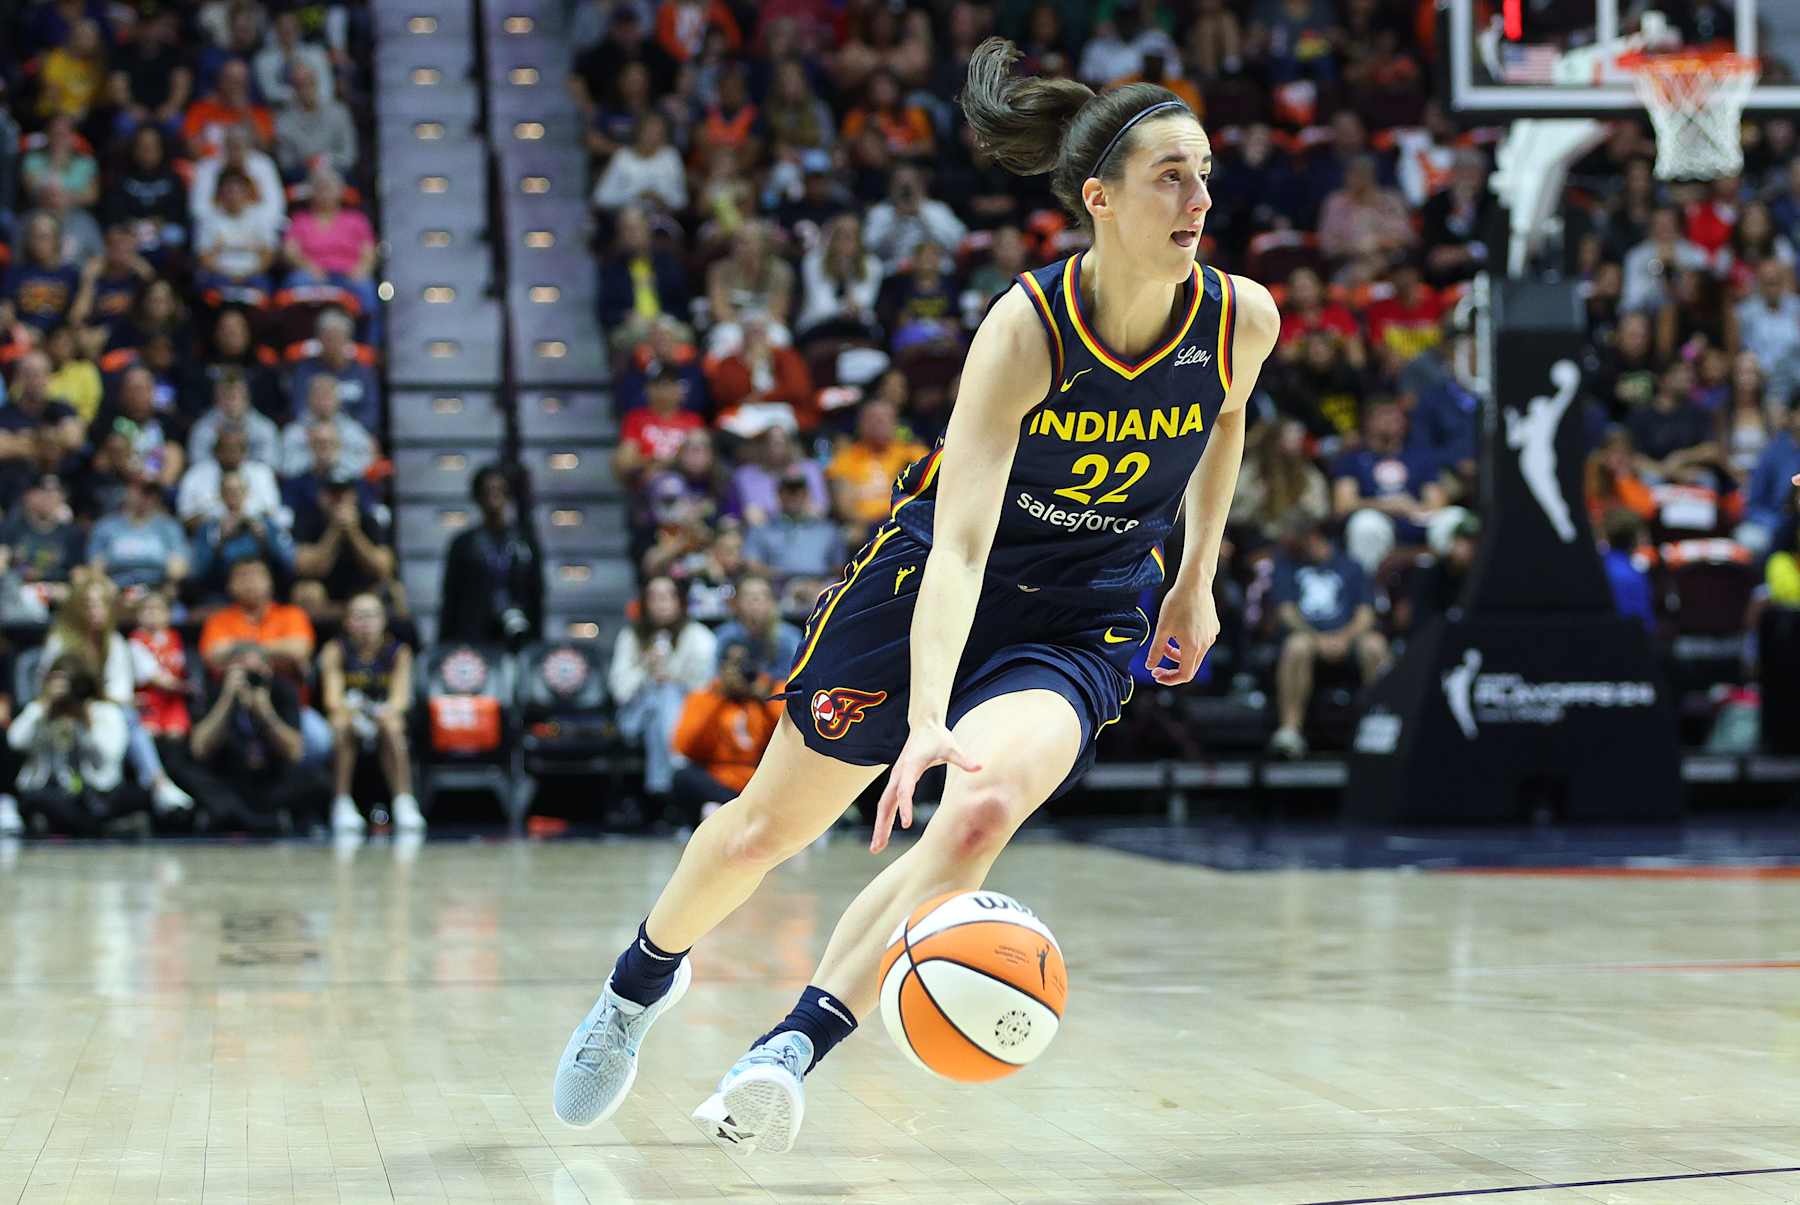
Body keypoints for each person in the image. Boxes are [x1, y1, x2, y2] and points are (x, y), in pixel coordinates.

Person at [551, 39, 1278, 1155]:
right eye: (1171, 175)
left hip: (1085, 614)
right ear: (1101, 197)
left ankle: (788, 1047)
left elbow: (1223, 420)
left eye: (1205, 172)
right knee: (757, 835)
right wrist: (930, 712)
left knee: (981, 810)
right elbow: (962, 542)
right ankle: (636, 986)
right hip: (929, 589)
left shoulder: (1243, 317)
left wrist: (1195, 580)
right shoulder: (1026, 329)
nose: (1200, 197)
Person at [1269, 518, 1387, 758]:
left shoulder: (1350, 565)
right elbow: (1286, 612)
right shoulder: (1286, 564)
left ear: (1312, 537)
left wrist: (1344, 637)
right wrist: (1317, 638)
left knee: (1375, 645)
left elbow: (1365, 613)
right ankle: (1290, 730)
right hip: (1308, 636)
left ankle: (1380, 723)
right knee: (1296, 647)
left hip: (1348, 636)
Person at [183, 643, 328, 833]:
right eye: (244, 670)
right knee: (186, 770)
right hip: (229, 777)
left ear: (268, 670)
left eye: (257, 670)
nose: (250, 677)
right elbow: (199, 748)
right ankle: (263, 820)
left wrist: (266, 712)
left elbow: (295, 752)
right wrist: (226, 700)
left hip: (272, 777)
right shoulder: (216, 691)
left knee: (318, 780)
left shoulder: (282, 690)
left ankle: (241, 818)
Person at [318, 593, 421, 834]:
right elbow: (332, 699)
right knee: (341, 724)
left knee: (393, 725)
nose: (366, 623)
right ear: (347, 621)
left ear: (384, 620)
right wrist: (355, 712)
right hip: (351, 714)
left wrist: (382, 713)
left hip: (382, 715)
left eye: (372, 615)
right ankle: (342, 802)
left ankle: (404, 801)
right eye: (359, 616)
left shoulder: (398, 652)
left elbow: (400, 699)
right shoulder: (336, 650)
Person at [7, 654, 139, 836]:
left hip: (94, 794)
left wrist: (86, 722)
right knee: (36, 799)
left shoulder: (105, 712)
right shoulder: (42, 711)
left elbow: (108, 757)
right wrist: (44, 707)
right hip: (49, 788)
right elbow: (15, 741)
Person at [670, 639, 785, 824]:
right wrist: (719, 698)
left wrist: (763, 698)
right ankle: (743, 811)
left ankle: (729, 811)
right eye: (732, 666)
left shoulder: (771, 691)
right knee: (682, 777)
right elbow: (683, 746)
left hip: (760, 777)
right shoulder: (705, 696)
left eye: (744, 665)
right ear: (721, 668)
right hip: (719, 778)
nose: (738, 673)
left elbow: (790, 738)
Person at [439, 465, 545, 646]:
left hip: (517, 633)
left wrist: (536, 643)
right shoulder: (463, 544)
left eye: (499, 490)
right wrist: (446, 644)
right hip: (473, 635)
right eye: (487, 491)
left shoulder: (524, 542)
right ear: (477, 496)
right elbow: (450, 598)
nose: (493, 497)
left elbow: (537, 595)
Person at [711, 574, 801, 683]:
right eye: (748, 596)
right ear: (736, 604)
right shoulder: (724, 637)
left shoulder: (789, 638)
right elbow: (713, 678)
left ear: (773, 602)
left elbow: (793, 682)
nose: (755, 601)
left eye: (763, 595)